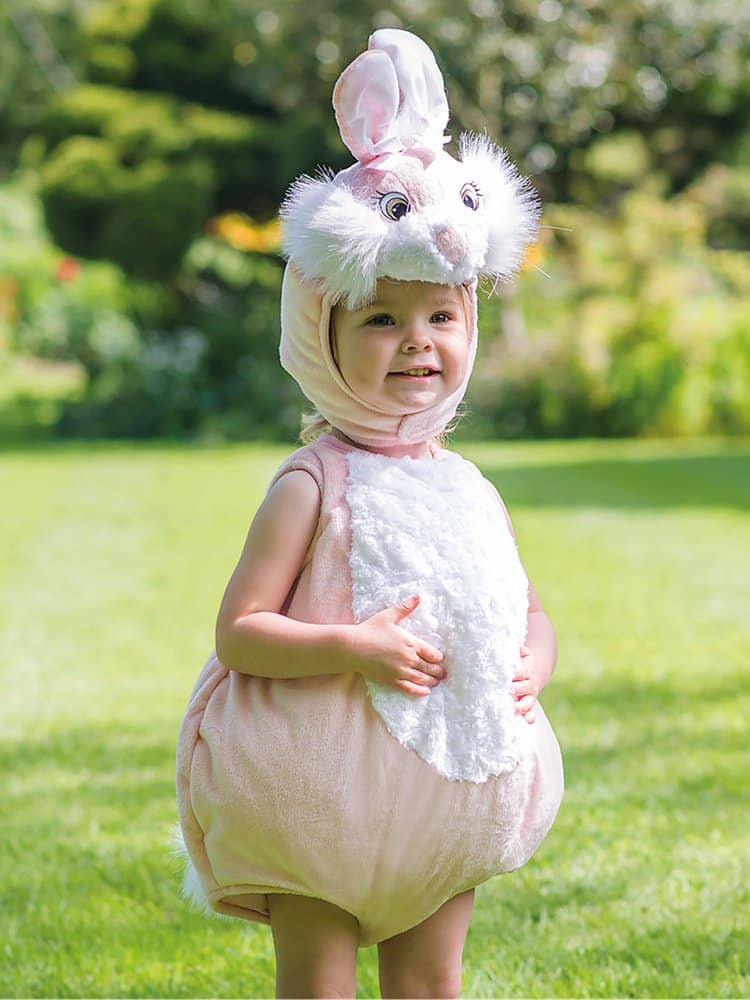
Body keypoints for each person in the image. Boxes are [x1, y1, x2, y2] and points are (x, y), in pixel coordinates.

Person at [176, 28, 563, 999]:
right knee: (320, 987)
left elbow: (525, 608)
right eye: (383, 319)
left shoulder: (466, 485)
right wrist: (353, 646)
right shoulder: (314, 482)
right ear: (323, 330)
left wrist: (535, 660)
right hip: (320, 799)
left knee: (431, 985)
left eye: (441, 317)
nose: (416, 343)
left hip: (443, 794)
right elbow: (241, 632)